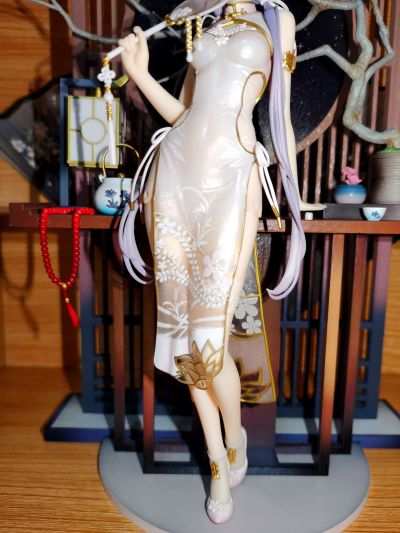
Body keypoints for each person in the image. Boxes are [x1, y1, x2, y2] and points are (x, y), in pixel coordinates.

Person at [119, 0, 305, 524]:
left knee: (211, 338)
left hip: (231, 180)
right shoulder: (205, 22)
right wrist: (138, 73)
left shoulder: (276, 20)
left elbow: (281, 115)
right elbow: (184, 115)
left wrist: (293, 199)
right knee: (183, 336)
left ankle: (235, 435)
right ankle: (218, 459)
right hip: (174, 181)